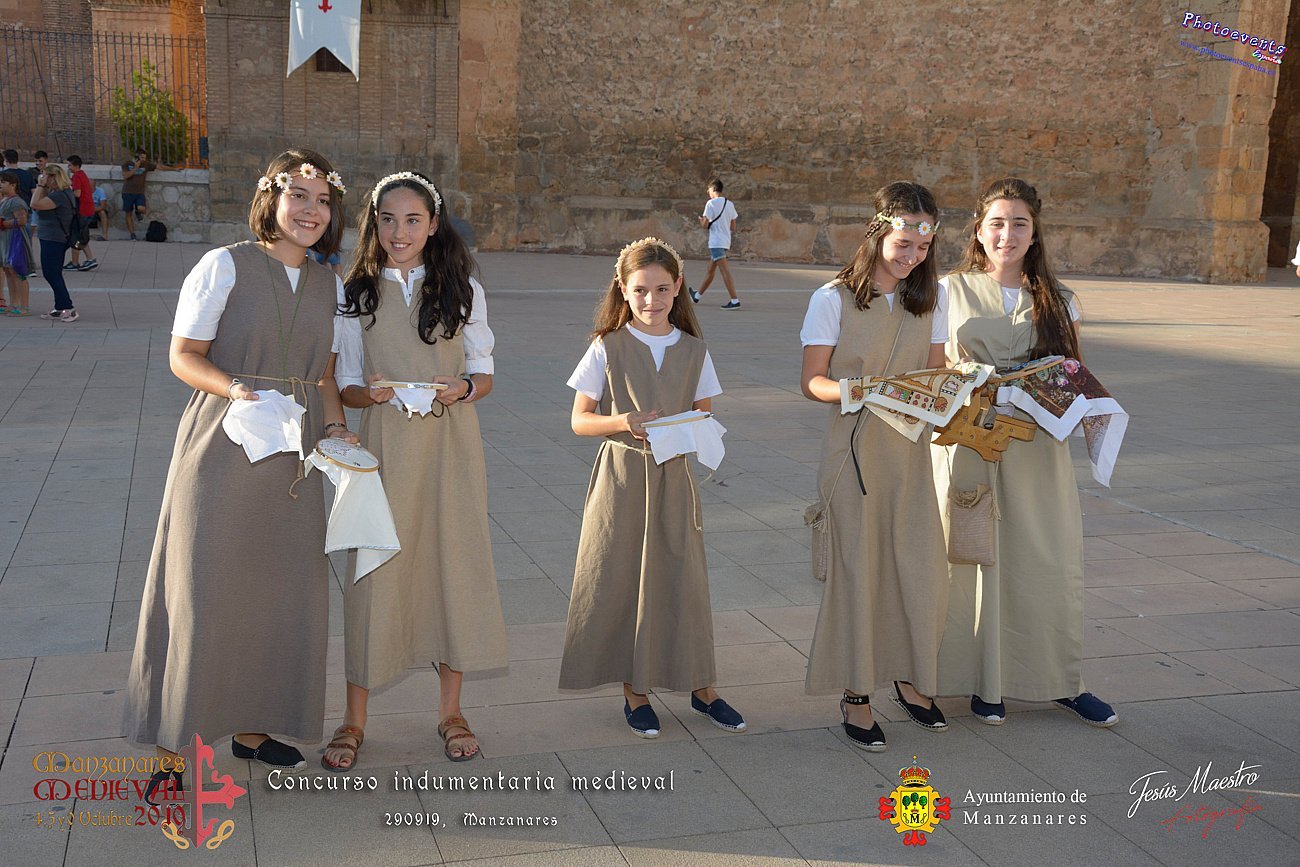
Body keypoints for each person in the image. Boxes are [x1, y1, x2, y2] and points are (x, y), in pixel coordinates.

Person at [123, 149, 355, 794]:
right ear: (271, 199)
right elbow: (183, 356)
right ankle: (172, 747)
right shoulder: (223, 264)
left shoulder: (330, 284)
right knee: (203, 592)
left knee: (280, 592)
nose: (311, 211)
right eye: (298, 196)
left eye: (323, 200)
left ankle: (253, 732)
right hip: (223, 449)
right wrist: (234, 390)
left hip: (294, 458)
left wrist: (336, 429)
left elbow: (325, 375)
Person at [329, 171, 508, 768]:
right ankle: (353, 720)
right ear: (373, 225)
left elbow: (483, 373)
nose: (399, 232)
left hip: (450, 447)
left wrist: (463, 389)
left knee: (452, 567)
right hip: (384, 449)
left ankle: (451, 713)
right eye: (387, 219)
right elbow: (345, 384)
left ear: (433, 225)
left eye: (412, 220)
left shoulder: (462, 289)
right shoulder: (354, 291)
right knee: (373, 572)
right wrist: (370, 394)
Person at [932, 177, 1117, 728]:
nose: (1007, 234)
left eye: (1019, 224)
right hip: (970, 440)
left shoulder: (1060, 299)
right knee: (970, 555)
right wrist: (970, 377)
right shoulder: (948, 290)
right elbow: (930, 365)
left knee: (1044, 558)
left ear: (1035, 233)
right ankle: (978, 681)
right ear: (978, 231)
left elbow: (1073, 371)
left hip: (1038, 445)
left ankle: (1058, 680)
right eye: (996, 223)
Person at [559, 237, 746, 739]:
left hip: (674, 479)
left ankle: (702, 687)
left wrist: (693, 429)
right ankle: (635, 692)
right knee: (621, 579)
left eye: (662, 289)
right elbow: (579, 420)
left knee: (684, 581)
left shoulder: (695, 350)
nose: (651, 300)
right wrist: (624, 421)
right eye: (640, 290)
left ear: (678, 287)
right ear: (623, 289)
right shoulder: (607, 346)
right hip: (621, 479)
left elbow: (705, 414)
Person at [799, 182, 950, 751]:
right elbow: (812, 382)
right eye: (902, 243)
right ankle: (856, 694)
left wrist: (955, 388)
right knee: (859, 574)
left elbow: (934, 375)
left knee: (917, 568)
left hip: (910, 453)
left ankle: (909, 678)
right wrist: (856, 390)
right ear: (879, 232)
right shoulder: (832, 298)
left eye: (922, 246)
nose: (911, 256)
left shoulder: (931, 298)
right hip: (854, 455)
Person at [29, 164, 79, 322]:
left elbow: (34, 204)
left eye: (46, 176)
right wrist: (44, 187)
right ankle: (60, 307)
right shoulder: (62, 192)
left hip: (54, 238)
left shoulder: (59, 196)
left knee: (51, 273)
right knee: (54, 273)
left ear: (53, 177)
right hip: (55, 237)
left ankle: (68, 308)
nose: (43, 178)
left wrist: (40, 186)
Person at [691, 179, 740, 309]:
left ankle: (735, 300)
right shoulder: (729, 204)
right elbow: (733, 226)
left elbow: (705, 225)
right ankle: (697, 296)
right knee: (710, 270)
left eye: (708, 190)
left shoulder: (711, 203)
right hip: (725, 241)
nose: (708, 193)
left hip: (716, 242)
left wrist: (701, 221)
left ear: (713, 189)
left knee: (725, 271)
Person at [0, 171, 33, 315]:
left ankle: (24, 306)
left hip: (14, 239)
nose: (0, 185)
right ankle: (14, 303)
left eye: (3, 182)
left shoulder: (17, 201)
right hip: (5, 240)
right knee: (8, 271)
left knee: (18, 273)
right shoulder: (5, 200)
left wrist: (3, 224)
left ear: (13, 185)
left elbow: (22, 221)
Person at [65, 156, 97, 271]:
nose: (68, 167)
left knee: (78, 236)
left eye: (69, 165)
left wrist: (67, 191)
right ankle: (76, 261)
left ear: (75, 165)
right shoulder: (82, 174)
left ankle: (88, 259)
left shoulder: (77, 176)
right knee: (79, 236)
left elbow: (77, 193)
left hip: (83, 210)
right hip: (87, 209)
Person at [121, 148, 156, 240]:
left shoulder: (146, 164)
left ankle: (137, 211)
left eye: (145, 158)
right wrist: (136, 167)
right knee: (128, 214)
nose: (143, 160)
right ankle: (132, 234)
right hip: (127, 192)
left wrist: (174, 169)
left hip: (139, 192)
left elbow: (158, 166)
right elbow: (125, 176)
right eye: (142, 157)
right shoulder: (127, 164)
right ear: (136, 157)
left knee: (142, 209)